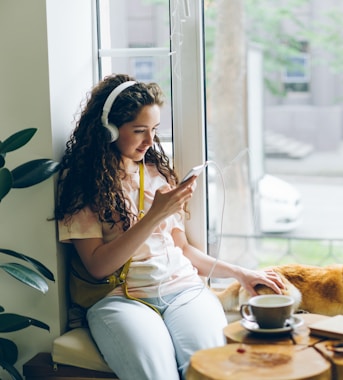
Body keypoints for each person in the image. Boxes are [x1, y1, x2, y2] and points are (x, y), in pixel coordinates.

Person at [54, 73, 284, 380]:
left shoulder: (156, 175)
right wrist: (154, 216)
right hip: (120, 299)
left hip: (183, 291)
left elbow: (184, 250)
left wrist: (241, 273)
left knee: (208, 371)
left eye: (154, 130)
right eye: (139, 131)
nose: (150, 141)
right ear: (107, 129)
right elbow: (97, 266)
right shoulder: (83, 184)